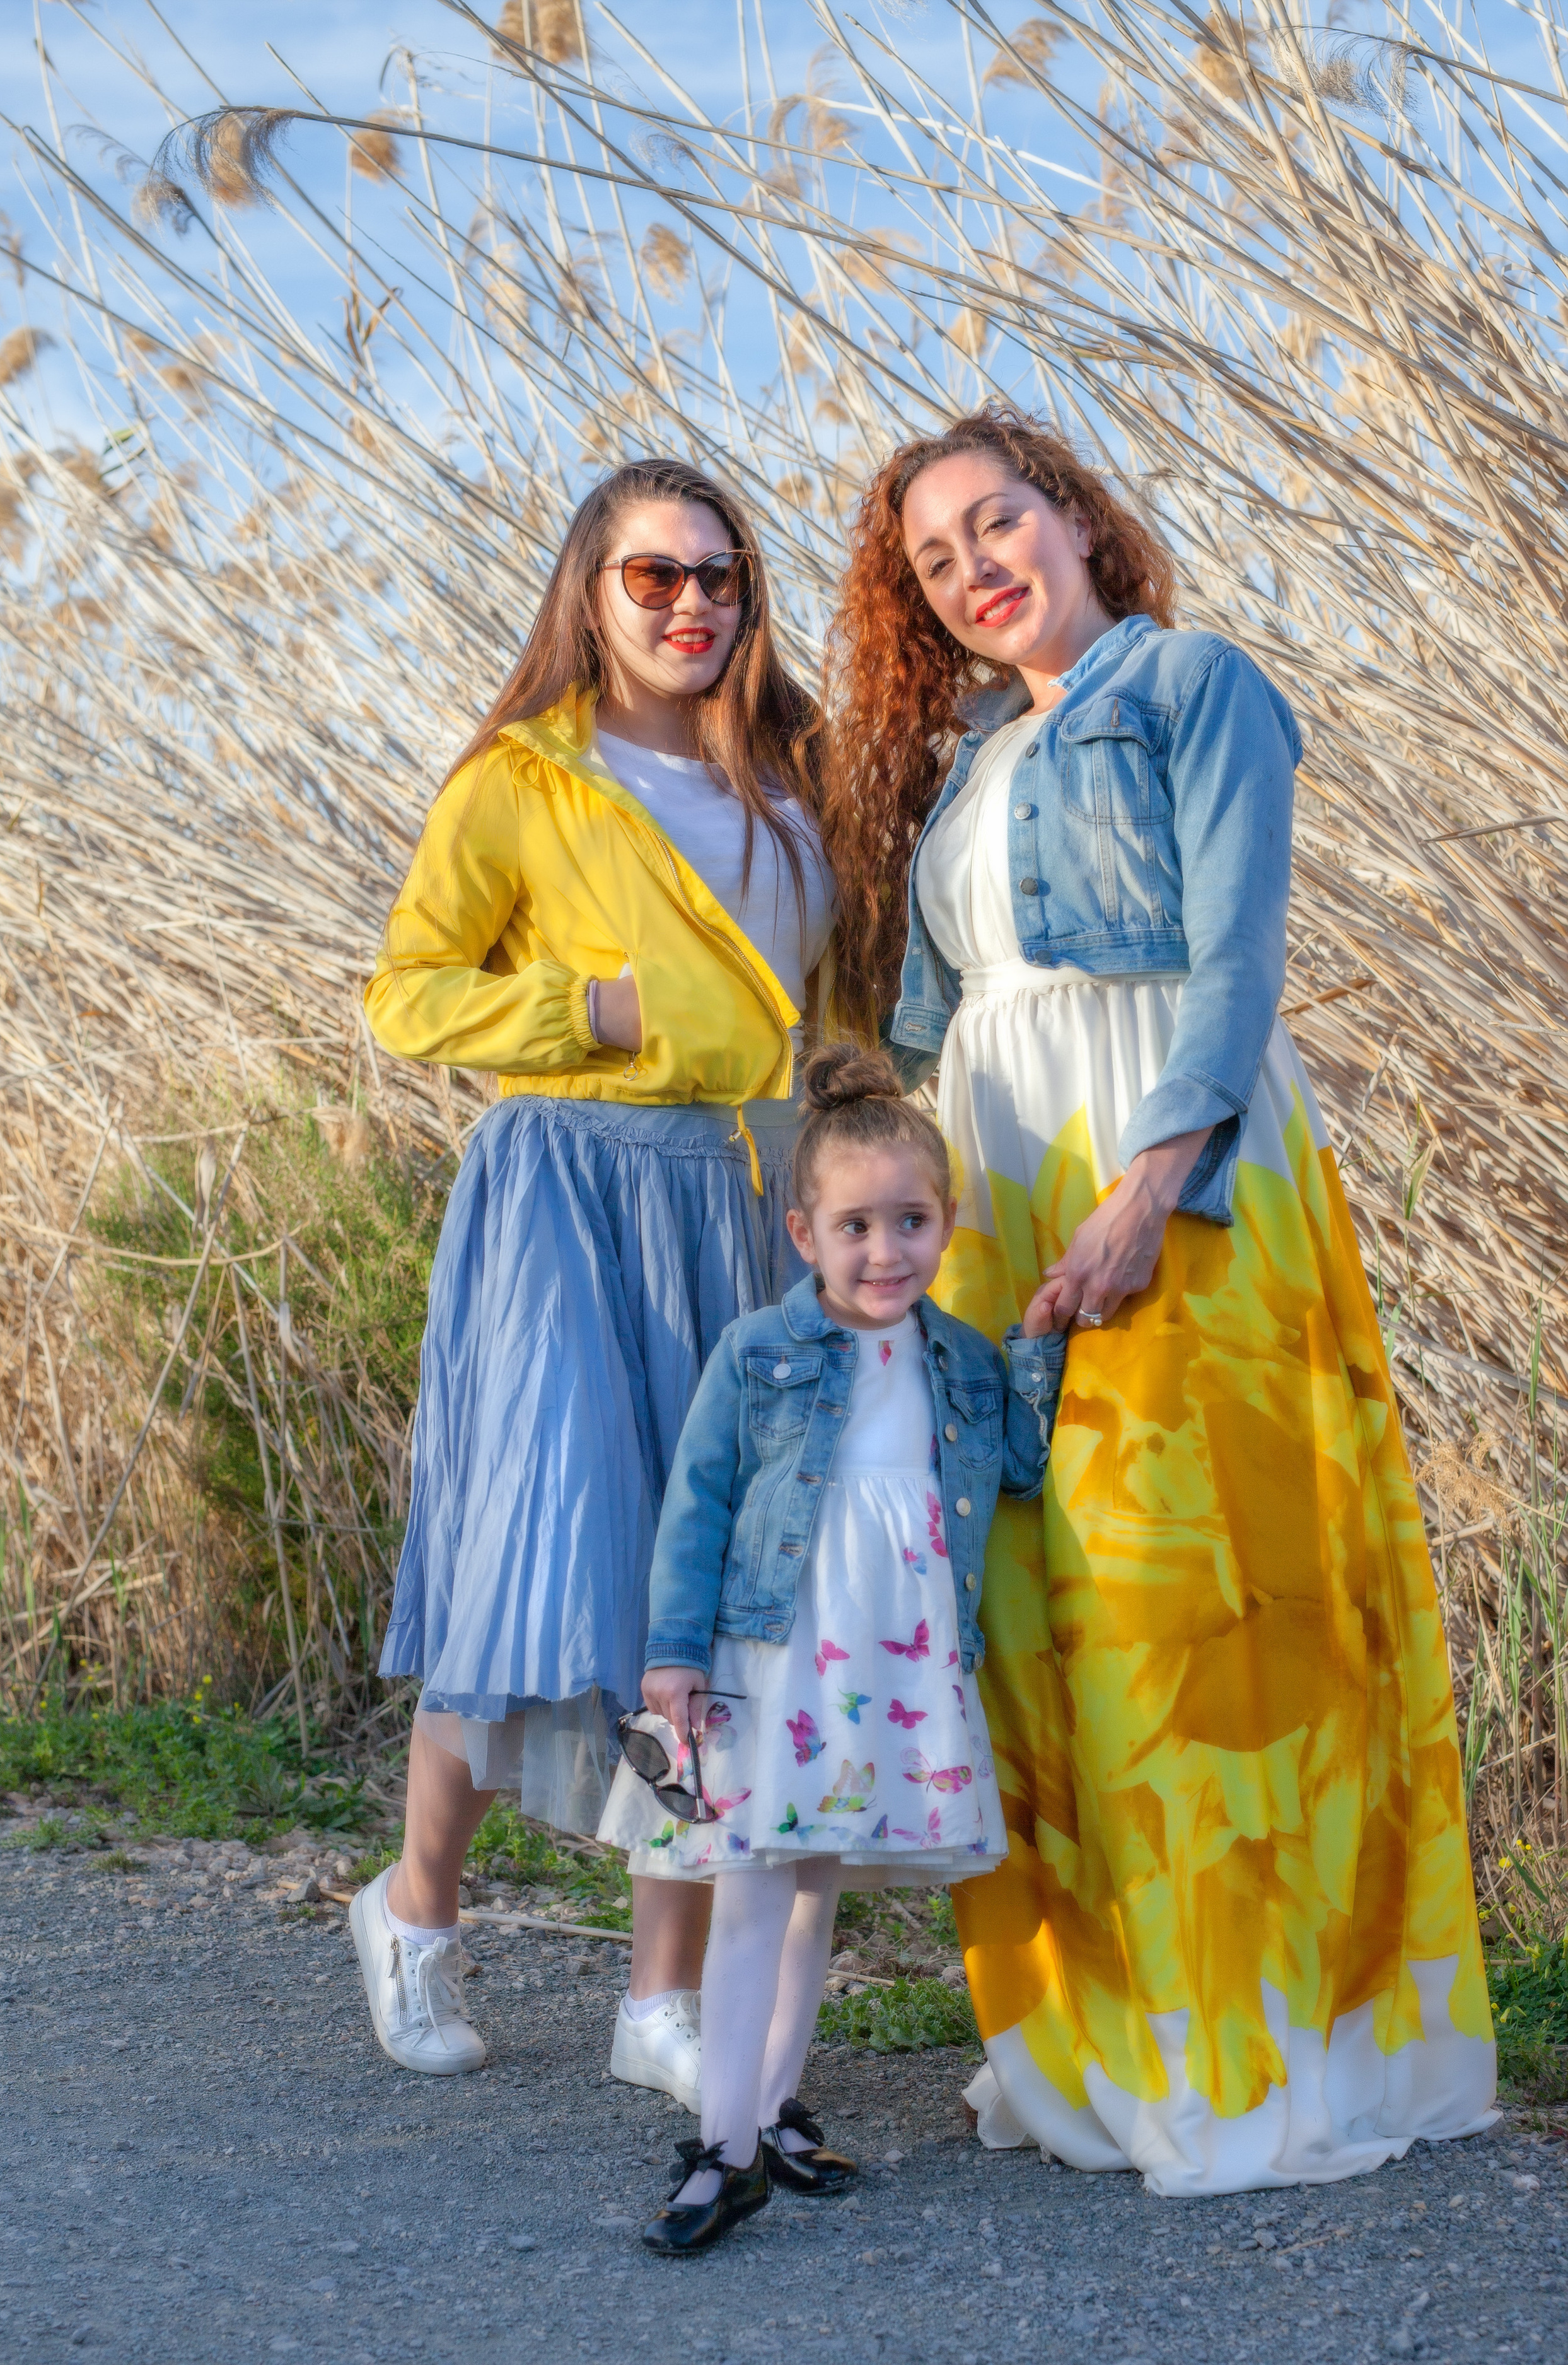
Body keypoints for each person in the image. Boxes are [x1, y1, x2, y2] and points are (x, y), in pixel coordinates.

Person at [818, 407, 1495, 2196]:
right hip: (1001, 1205)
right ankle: (1095, 2046)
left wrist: (1146, 1188)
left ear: (1080, 517)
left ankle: (1255, 2043)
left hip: (1168, 1180)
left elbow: (1237, 952)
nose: (976, 565)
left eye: (998, 518)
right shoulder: (966, 770)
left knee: (1196, 1613)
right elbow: (916, 1033)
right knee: (1046, 1616)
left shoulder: (1192, 681)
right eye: (936, 556)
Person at [352, 458, 839, 2109]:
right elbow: (408, 995)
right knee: (529, 1554)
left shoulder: (798, 772)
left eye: (720, 577)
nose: (692, 605)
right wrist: (589, 1010)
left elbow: (823, 1009)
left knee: (699, 1600)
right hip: (566, 1181)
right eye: (654, 578)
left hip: (742, 1196)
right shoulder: (523, 777)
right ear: (591, 591)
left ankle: (664, 1995)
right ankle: (416, 1908)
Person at [597, 1044, 1066, 2252]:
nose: (884, 1251)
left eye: (910, 1221)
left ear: (946, 1223)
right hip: (776, 1659)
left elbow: (1016, 1465)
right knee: (752, 1892)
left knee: (812, 1899)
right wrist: (673, 1653)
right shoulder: (760, 1351)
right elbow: (697, 1502)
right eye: (855, 1225)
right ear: (804, 1230)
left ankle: (770, 2107)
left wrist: (1045, 1343)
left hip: (888, 1663)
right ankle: (723, 2144)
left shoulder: (958, 1357)